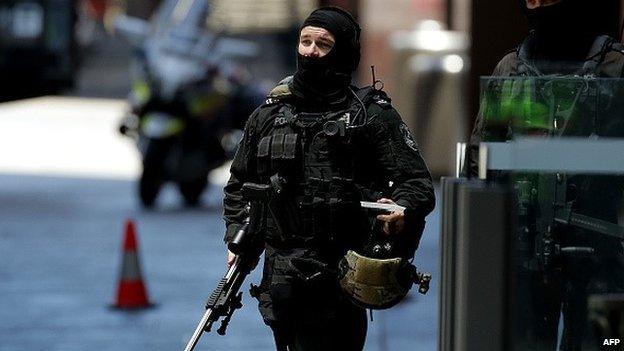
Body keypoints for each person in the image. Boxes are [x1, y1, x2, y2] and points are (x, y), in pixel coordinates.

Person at [222, 6, 435, 350]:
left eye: (323, 44)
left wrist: (402, 210)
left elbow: (417, 184)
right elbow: (239, 185)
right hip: (282, 278)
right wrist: (237, 234)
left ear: (345, 52)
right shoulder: (269, 115)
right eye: (304, 41)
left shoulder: (370, 115)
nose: (310, 51)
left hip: (342, 275)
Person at [467, 1, 624, 350]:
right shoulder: (511, 68)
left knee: (606, 343)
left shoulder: (616, 66)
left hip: (601, 246)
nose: (538, 6)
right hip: (528, 244)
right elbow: (482, 158)